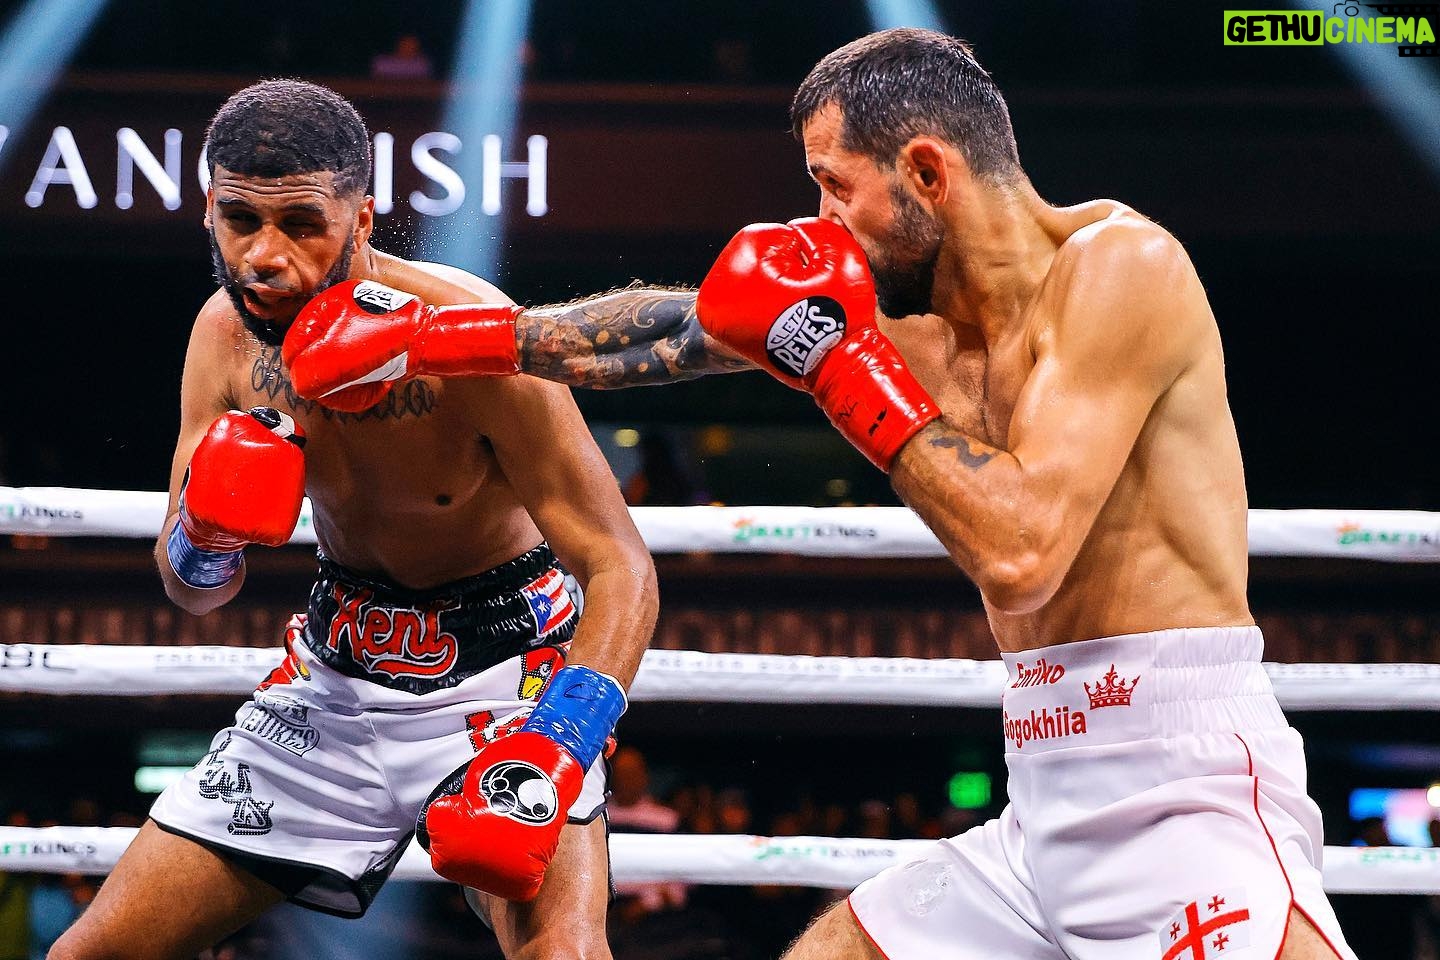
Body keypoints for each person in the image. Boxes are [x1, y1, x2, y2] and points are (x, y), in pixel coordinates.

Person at [281, 27, 1357, 960]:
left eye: (836, 186)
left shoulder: (1121, 268)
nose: (822, 220)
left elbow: (1022, 550)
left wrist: (843, 367)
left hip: (1185, 785)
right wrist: (433, 339)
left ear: (926, 172)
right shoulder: (902, 319)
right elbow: (673, 331)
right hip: (1044, 789)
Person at [48, 79, 658, 960]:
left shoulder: (470, 333)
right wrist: (206, 536)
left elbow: (622, 567)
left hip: (505, 684)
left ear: (361, 219)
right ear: (208, 212)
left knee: (560, 952)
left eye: (302, 225)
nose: (265, 256)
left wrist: (557, 743)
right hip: (332, 683)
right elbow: (189, 592)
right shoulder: (224, 337)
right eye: (239, 220)